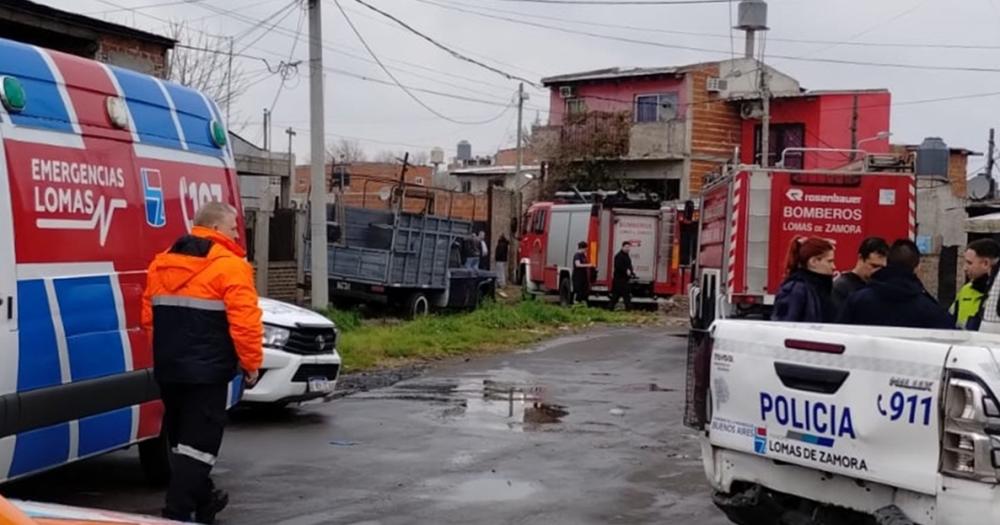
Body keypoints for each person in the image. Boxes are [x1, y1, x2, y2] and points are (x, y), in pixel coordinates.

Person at [142, 202, 263, 523]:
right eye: (234, 228)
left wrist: (167, 353)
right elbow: (245, 322)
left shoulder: (162, 262)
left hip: (169, 368)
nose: (238, 233)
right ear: (217, 229)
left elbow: (148, 318)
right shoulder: (231, 267)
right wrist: (251, 363)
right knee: (200, 447)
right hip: (206, 372)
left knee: (183, 441)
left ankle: (206, 500)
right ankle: (176, 514)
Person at [839, 239, 953, 329]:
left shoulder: (857, 301)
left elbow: (840, 334)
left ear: (888, 263)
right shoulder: (930, 309)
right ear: (917, 268)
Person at [771, 237, 837, 323]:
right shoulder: (795, 289)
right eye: (829, 261)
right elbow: (785, 326)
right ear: (813, 261)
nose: (833, 267)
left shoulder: (818, 287)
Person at [950, 238, 1000, 330]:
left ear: (985, 263)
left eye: (969, 263)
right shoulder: (966, 290)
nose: (964, 268)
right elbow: (950, 320)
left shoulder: (996, 291)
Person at [832, 237, 889, 312]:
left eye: (882, 267)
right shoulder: (841, 287)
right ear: (860, 258)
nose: (878, 271)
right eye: (874, 266)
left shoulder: (882, 288)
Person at [608, 241, 635, 310]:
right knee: (616, 296)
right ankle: (610, 308)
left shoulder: (626, 256)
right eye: (626, 247)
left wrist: (632, 272)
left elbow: (629, 265)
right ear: (622, 247)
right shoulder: (619, 256)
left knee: (625, 296)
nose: (628, 249)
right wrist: (626, 270)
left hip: (625, 279)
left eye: (629, 247)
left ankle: (628, 309)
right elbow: (618, 266)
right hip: (619, 280)